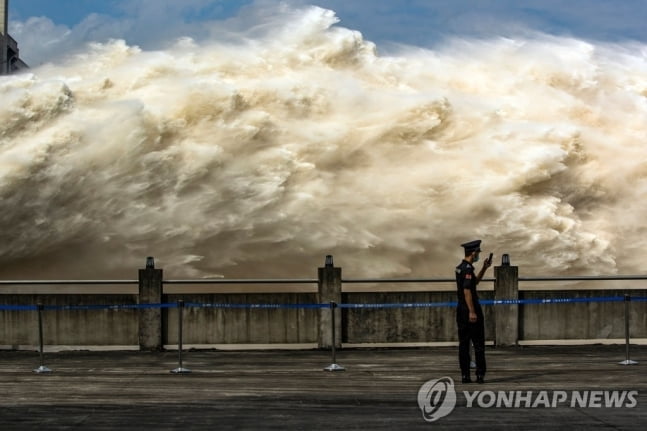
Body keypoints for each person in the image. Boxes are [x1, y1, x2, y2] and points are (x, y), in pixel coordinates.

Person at [455, 240, 492, 384]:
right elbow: (467, 291)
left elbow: (474, 283)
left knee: (464, 344)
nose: (478, 255)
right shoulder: (468, 269)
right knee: (478, 345)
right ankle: (480, 375)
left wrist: (484, 268)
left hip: (460, 311)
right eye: (477, 253)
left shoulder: (460, 267)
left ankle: (465, 376)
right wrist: (472, 311)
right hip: (470, 310)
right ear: (473, 253)